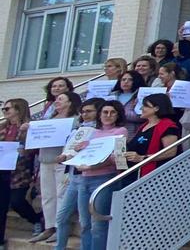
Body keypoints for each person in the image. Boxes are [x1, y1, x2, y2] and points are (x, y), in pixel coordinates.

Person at [60, 100, 127, 250]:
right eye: (105, 112)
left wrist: (93, 165)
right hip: (84, 179)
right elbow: (82, 154)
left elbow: (119, 160)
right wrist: (77, 151)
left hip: (104, 179)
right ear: (99, 114)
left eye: (112, 112)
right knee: (85, 224)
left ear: (118, 115)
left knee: (98, 224)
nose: (108, 115)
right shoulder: (92, 132)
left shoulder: (121, 131)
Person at [32, 91, 80, 242]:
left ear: (70, 102)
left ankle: (60, 227)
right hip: (45, 160)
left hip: (61, 162)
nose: (56, 101)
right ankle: (49, 227)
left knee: (60, 195)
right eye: (56, 99)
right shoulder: (48, 118)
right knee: (47, 196)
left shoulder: (75, 120)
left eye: (61, 99)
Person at [53, 98, 101, 250]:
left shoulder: (100, 131)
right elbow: (69, 149)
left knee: (85, 221)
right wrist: (64, 157)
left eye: (89, 111)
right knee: (61, 217)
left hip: (88, 176)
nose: (85, 114)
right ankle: (59, 247)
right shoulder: (78, 129)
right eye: (83, 111)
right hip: (73, 175)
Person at [1, 98, 44, 242]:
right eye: (4, 109)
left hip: (21, 172)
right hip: (3, 171)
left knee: (17, 202)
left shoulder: (30, 128)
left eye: (8, 109)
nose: (4, 112)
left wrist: (25, 150)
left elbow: (37, 148)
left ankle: (37, 220)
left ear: (18, 109)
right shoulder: (2, 127)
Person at [122, 93, 181, 178]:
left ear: (156, 108)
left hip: (154, 176)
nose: (141, 108)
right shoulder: (144, 126)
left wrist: (142, 158)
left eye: (145, 106)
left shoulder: (168, 126)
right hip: (134, 173)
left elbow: (170, 152)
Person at [110, 70, 147, 138]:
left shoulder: (141, 95)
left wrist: (119, 113)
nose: (126, 82)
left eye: (130, 80)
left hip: (132, 133)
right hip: (112, 132)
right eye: (123, 79)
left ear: (136, 81)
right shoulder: (112, 96)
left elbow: (142, 117)